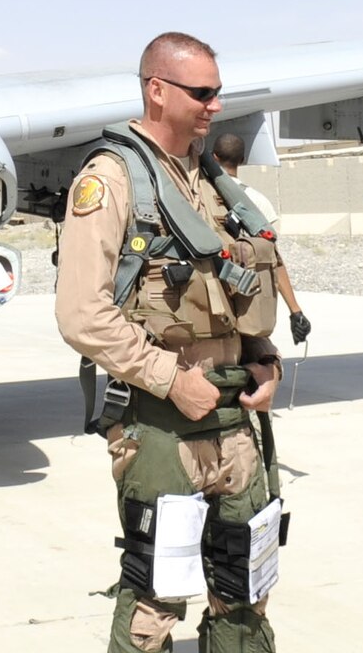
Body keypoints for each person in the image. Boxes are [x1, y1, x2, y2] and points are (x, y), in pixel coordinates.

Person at [55, 32, 284, 653]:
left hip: (234, 422)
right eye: (201, 92)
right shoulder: (111, 179)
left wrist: (264, 359)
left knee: (245, 586)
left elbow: (229, 291)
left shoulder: (205, 180)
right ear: (157, 90)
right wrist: (167, 377)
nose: (214, 105)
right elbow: (81, 314)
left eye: (217, 92)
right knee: (156, 598)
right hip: (161, 428)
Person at [209, 134, 310, 345]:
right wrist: (295, 311)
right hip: (249, 301)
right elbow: (274, 259)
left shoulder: (202, 196)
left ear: (213, 157)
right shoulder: (259, 202)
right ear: (243, 159)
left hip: (212, 298)